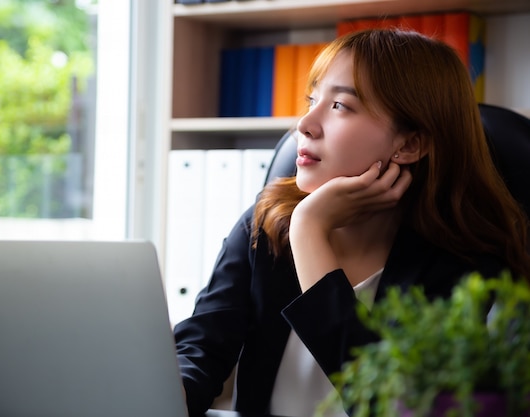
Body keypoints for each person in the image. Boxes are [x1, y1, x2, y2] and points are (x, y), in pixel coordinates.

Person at [174, 28, 530, 417]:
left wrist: (310, 232)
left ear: (409, 144)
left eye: (340, 105)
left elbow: (382, 402)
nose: (305, 124)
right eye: (312, 100)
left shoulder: (464, 263)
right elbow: (200, 350)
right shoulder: (267, 222)